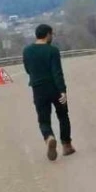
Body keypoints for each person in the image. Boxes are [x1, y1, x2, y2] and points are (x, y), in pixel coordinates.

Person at [23, 24, 74, 161]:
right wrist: (62, 90)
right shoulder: (52, 50)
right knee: (63, 115)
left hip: (38, 89)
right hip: (54, 88)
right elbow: (57, 72)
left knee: (43, 119)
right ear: (47, 34)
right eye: (52, 34)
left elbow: (28, 70)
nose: (52, 37)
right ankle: (66, 145)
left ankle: (49, 137)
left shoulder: (27, 51)